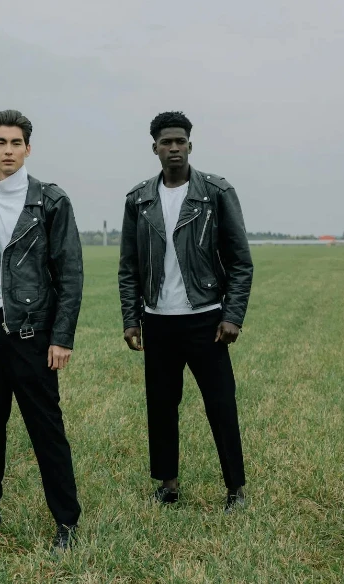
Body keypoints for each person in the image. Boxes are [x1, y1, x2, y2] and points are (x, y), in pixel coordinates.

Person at [0, 109, 84, 553]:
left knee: (46, 428)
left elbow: (70, 274)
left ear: (28, 148)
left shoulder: (50, 201)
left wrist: (62, 337)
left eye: (15, 143)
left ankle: (66, 522)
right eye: (0, 143)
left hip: (32, 335)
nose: (7, 150)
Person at [118, 111, 253, 513]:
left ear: (190, 145)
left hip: (206, 320)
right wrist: (131, 318)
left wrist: (232, 315)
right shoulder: (138, 199)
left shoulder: (215, 193)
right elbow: (128, 267)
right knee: (160, 406)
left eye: (180, 141)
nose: (173, 148)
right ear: (155, 148)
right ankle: (168, 483)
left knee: (220, 404)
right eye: (166, 142)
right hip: (158, 320)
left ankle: (236, 489)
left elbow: (240, 261)